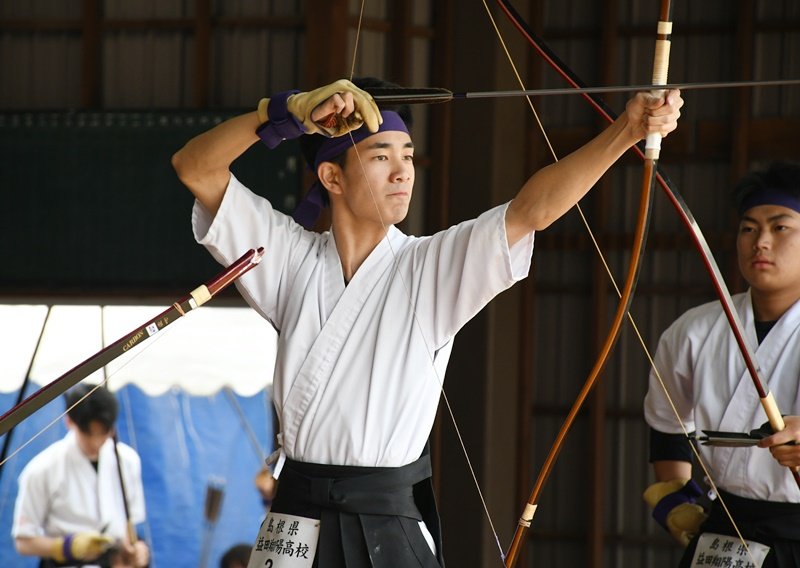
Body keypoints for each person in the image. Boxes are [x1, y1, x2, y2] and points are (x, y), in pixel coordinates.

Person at [172, 76, 682, 567]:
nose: (403, 172)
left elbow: (532, 211)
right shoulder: (289, 257)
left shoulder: (429, 267)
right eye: (380, 156)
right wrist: (287, 112)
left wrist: (627, 131)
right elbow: (194, 166)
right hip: (294, 516)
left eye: (408, 156)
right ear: (332, 177)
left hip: (383, 522)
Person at [643, 161, 800, 568]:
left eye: (780, 227)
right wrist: (676, 501)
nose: (760, 242)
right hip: (723, 532)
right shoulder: (694, 330)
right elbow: (667, 424)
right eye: (748, 228)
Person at [12, 383, 150, 568]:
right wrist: (66, 547)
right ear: (69, 422)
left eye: (103, 433)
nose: (96, 442)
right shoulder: (41, 469)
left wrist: (135, 550)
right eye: (88, 434)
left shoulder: (128, 460)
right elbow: (23, 542)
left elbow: (128, 526)